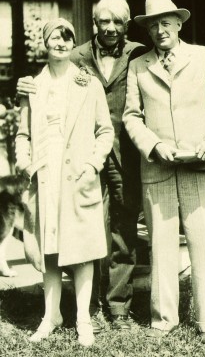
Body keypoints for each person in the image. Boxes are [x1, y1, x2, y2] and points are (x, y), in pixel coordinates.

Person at [16, 0, 205, 332]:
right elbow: (50, 80)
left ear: (127, 25)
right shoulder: (75, 54)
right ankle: (88, 308)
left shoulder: (139, 54)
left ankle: (118, 310)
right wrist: (24, 85)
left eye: (118, 22)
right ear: (95, 23)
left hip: (128, 155)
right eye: (104, 21)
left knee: (123, 232)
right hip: (83, 157)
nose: (111, 28)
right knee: (85, 227)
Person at [123, 0, 205, 344]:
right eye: (153, 24)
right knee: (162, 245)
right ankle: (162, 321)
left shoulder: (202, 58)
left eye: (165, 23)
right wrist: (154, 145)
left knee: (202, 244)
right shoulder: (139, 66)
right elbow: (130, 115)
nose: (160, 30)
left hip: (198, 166)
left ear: (178, 24)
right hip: (157, 168)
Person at [15, 18, 114, 348]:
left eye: (67, 36)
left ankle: (83, 318)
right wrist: (25, 163)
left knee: (83, 250)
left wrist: (92, 165)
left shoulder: (88, 84)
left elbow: (105, 131)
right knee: (50, 250)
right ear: (44, 42)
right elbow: (22, 134)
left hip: (77, 175)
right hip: (45, 176)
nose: (61, 41)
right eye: (55, 36)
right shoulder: (33, 86)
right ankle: (52, 314)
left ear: (74, 42)